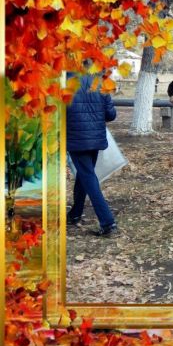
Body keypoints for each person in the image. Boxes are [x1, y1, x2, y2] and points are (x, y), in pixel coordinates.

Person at [66, 72, 118, 236]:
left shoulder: (65, 81)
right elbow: (111, 114)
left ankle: (108, 222)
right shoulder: (100, 82)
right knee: (85, 174)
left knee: (88, 177)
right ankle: (75, 213)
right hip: (95, 138)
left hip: (76, 138)